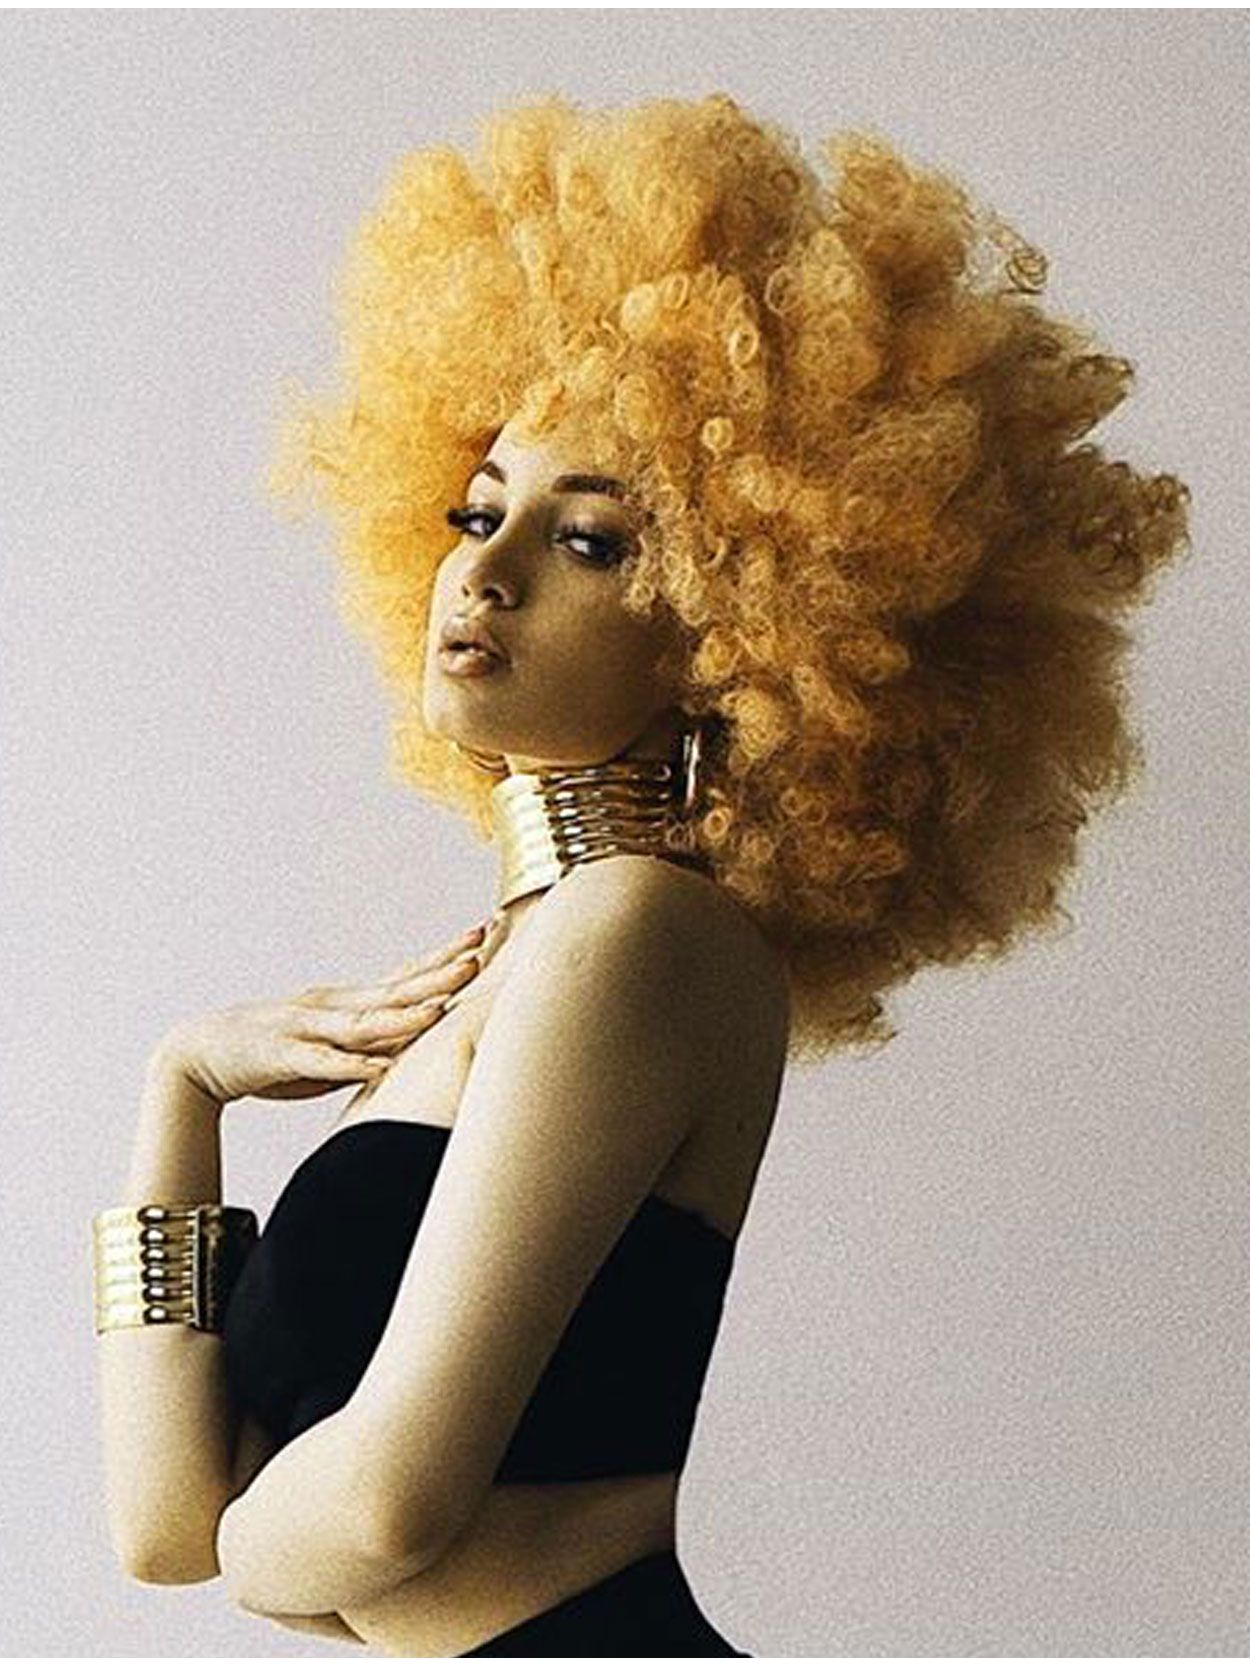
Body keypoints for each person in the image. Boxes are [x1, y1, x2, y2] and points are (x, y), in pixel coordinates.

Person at [92, 91, 1191, 1655]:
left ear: (745, 623)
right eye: (477, 512)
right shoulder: (504, 971)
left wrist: (271, 1544)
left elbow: (382, 1514)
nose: (483, 571)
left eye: (589, 541)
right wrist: (184, 1087)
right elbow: (165, 1530)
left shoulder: (640, 935)